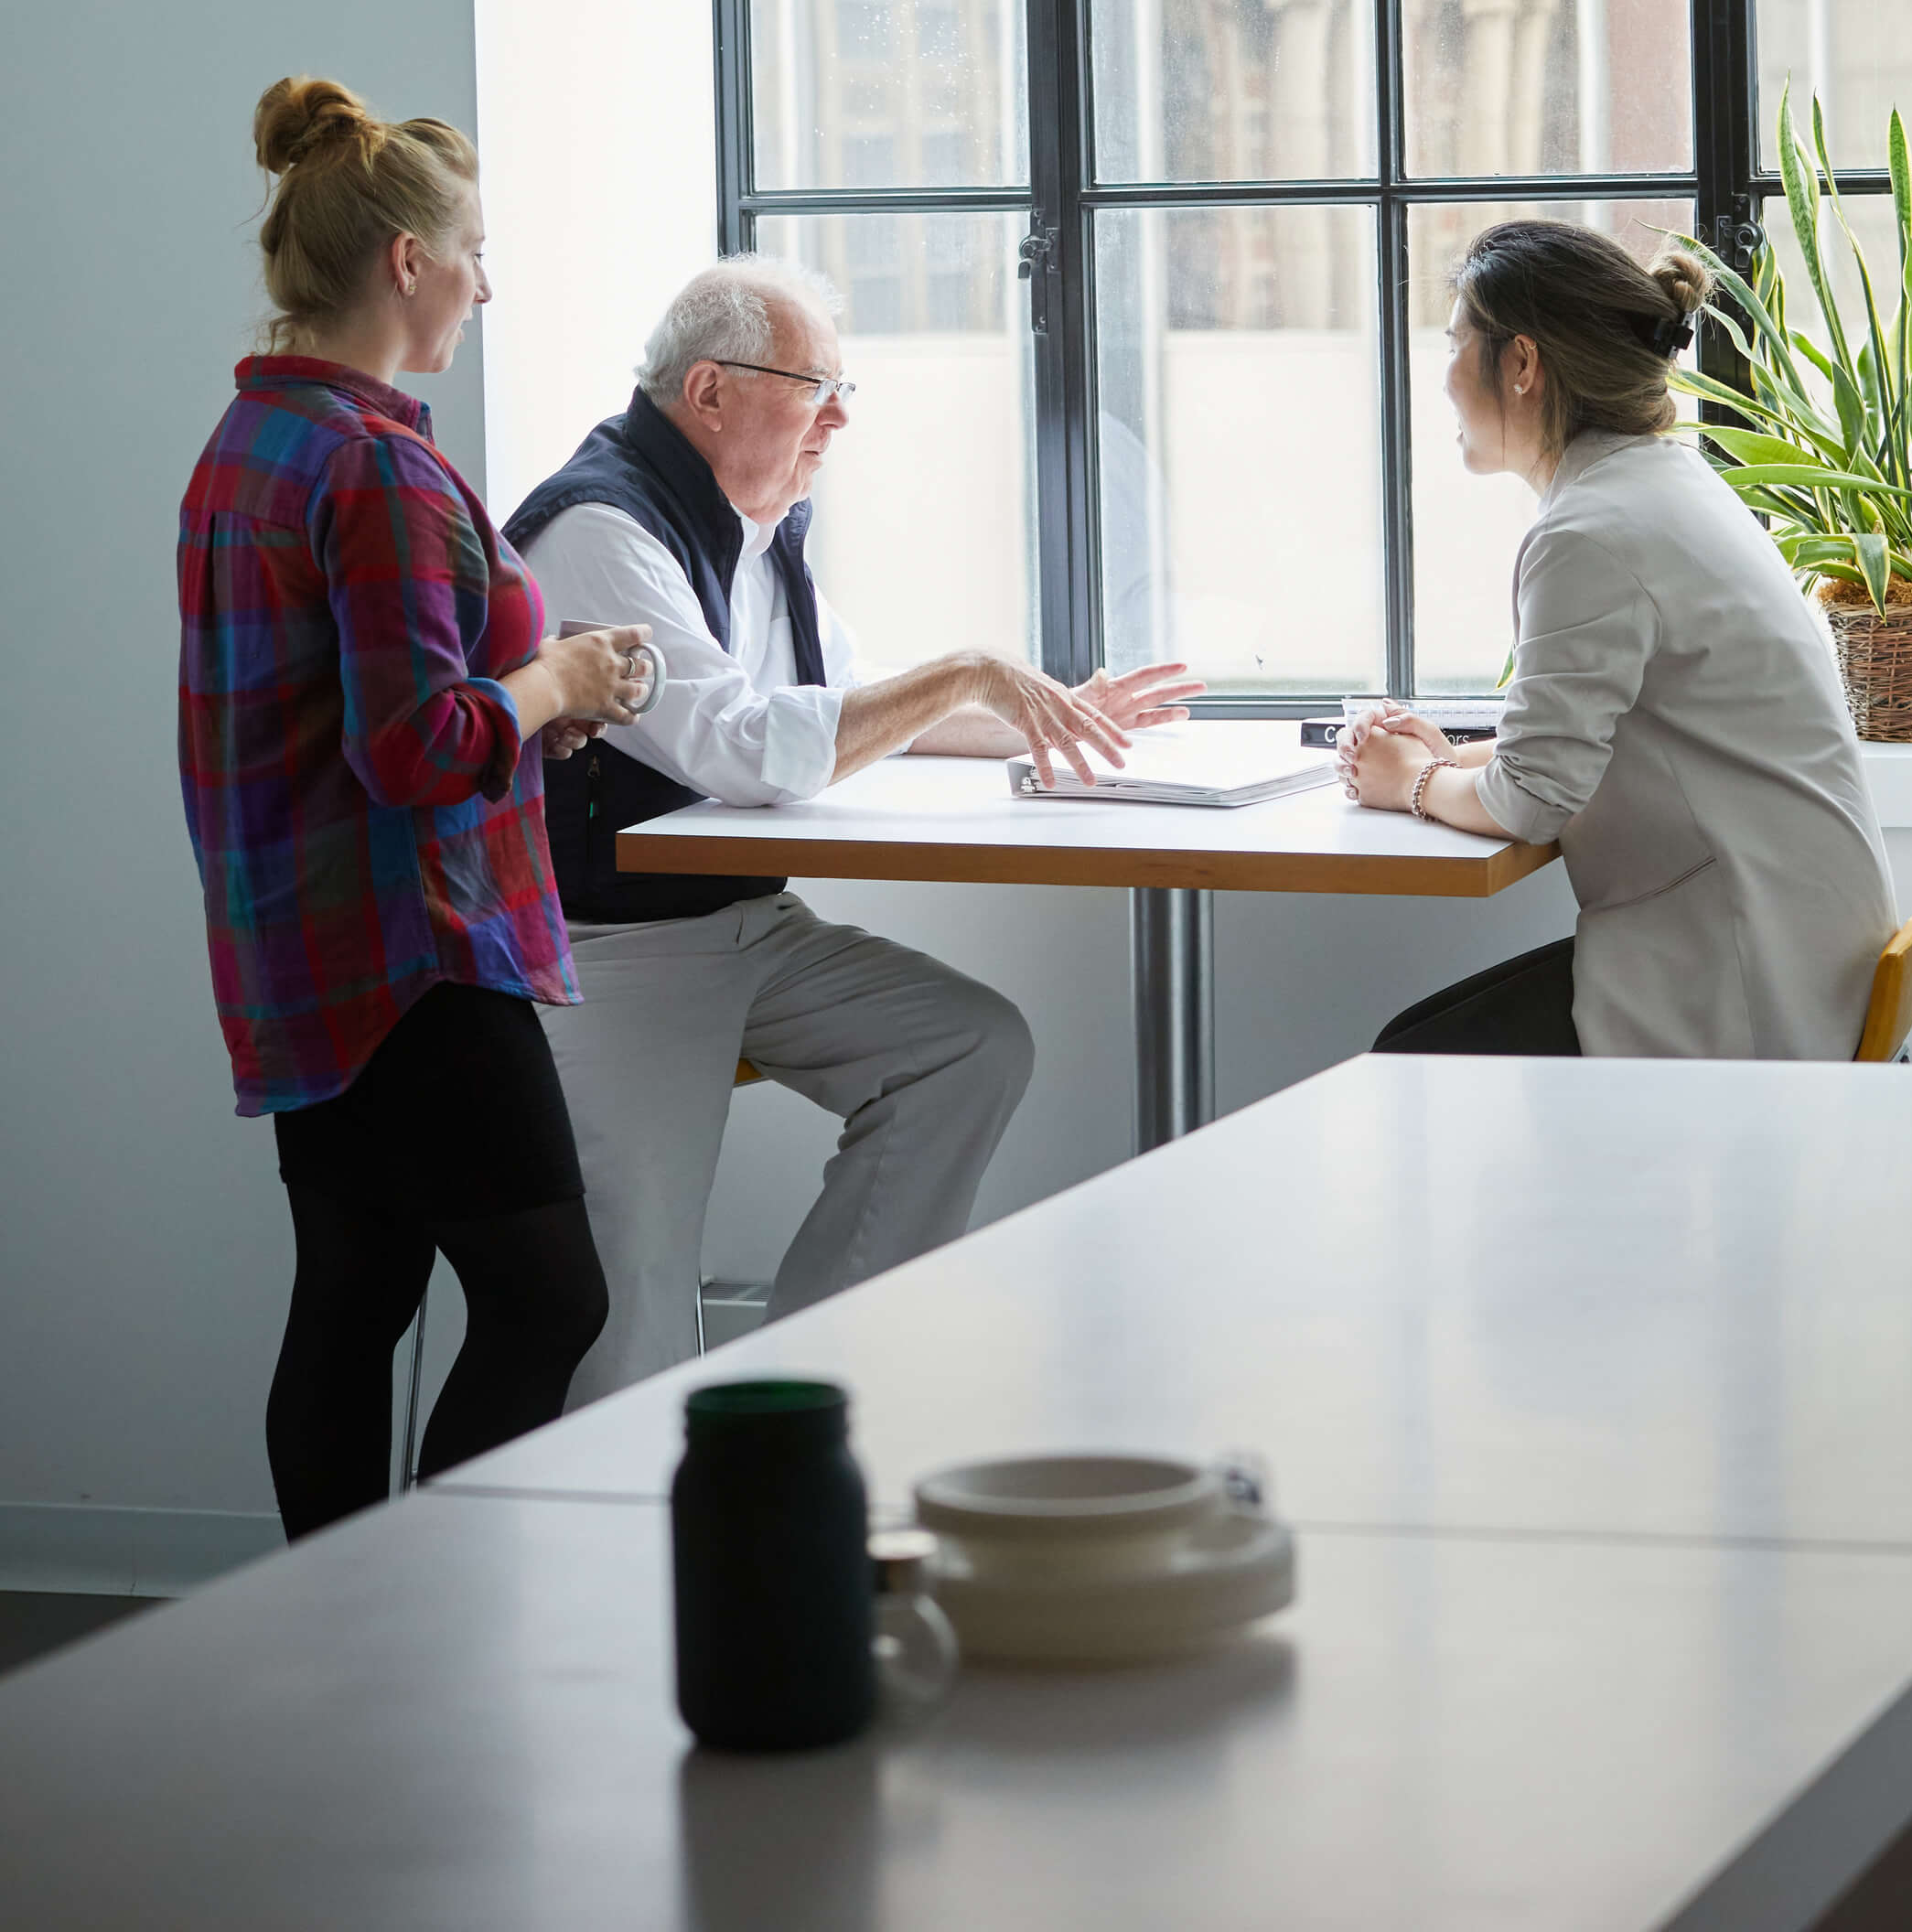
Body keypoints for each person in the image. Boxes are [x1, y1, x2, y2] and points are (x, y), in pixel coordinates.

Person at [506, 259, 1198, 1403]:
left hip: (742, 924)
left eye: (843, 388)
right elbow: (742, 745)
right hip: (609, 951)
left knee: (967, 1048)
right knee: (630, 1304)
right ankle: (624, 1551)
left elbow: (847, 706)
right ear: (712, 389)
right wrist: (969, 673)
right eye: (814, 384)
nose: (839, 415)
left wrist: (1041, 722)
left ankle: (809, 1390)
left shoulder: (751, 524)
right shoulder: (598, 527)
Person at [177, 79, 654, 1538]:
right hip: (416, 960)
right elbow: (410, 746)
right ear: (405, 262)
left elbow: (358, 722)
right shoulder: (377, 463)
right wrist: (559, 672)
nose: (485, 285)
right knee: (550, 1298)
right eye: (475, 253)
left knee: (356, 1292)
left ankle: (335, 1645)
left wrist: (530, 711)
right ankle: (424, 1611)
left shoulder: (250, 443)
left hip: (301, 957)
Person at [1343, 219, 1896, 1061]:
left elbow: (1533, 802)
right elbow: (1629, 735)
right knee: (1417, 1050)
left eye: (1457, 343)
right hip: (1802, 939)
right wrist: (1454, 756)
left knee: (1411, 1066)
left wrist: (1413, 783)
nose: (1445, 376)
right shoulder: (1667, 482)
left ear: (1522, 364)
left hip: (1745, 973)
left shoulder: (1588, 534)